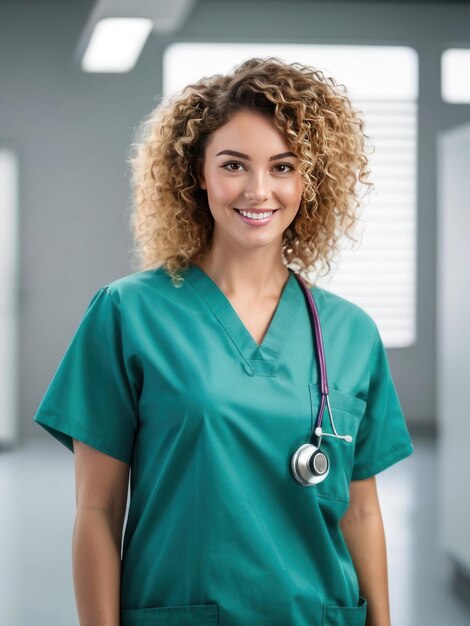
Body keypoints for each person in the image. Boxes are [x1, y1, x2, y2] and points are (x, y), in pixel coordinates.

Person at [33, 57, 413, 626]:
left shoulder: (350, 332)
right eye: (234, 164)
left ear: (310, 181)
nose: (258, 191)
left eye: (283, 166)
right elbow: (97, 509)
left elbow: (360, 511)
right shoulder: (128, 313)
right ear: (199, 174)